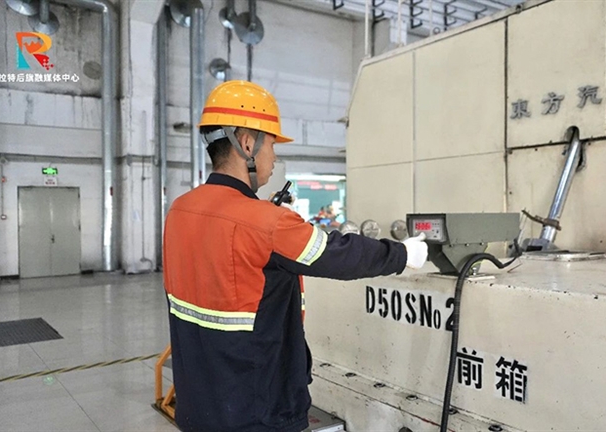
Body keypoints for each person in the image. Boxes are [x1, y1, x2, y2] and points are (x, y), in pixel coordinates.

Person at [163, 80, 428, 432]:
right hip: (257, 413)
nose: (274, 157)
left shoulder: (180, 210)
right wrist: (402, 253)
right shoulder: (265, 222)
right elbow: (337, 254)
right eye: (272, 145)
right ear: (247, 143)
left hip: (199, 408)